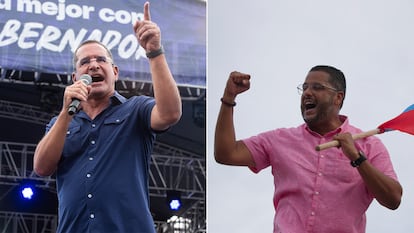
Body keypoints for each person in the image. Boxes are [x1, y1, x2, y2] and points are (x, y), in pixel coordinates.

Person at [33, 2, 181, 233]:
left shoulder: (135, 110)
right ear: (75, 78)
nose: (93, 65)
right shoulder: (60, 124)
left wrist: (154, 52)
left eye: (101, 60)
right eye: (85, 62)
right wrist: (65, 114)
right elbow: (41, 168)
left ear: (114, 71)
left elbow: (170, 113)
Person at [214, 65, 402, 233]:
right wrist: (229, 97)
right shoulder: (279, 139)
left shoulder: (368, 145)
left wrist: (357, 158)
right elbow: (226, 153)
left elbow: (393, 199)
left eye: (317, 88)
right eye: (304, 88)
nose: (307, 93)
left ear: (338, 97)